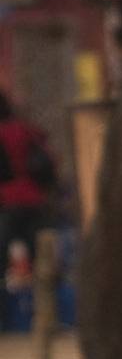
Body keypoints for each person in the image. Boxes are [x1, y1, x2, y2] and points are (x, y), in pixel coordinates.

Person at [0, 91, 58, 268]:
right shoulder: (26, 129)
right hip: (35, 200)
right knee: (40, 263)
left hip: (7, 204)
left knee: (10, 266)